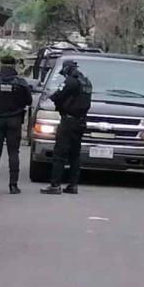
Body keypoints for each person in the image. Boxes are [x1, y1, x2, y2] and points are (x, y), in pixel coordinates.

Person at [41, 60, 92, 195]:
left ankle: (55, 185)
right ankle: (73, 185)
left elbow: (57, 95)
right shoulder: (86, 82)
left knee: (60, 154)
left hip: (68, 121)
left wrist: (52, 98)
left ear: (67, 70)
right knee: (75, 154)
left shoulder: (70, 81)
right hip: (81, 121)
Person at [0, 57, 32, 194]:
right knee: (13, 152)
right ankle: (13, 186)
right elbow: (28, 100)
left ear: (0, 65)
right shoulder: (21, 83)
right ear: (14, 65)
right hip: (15, 120)